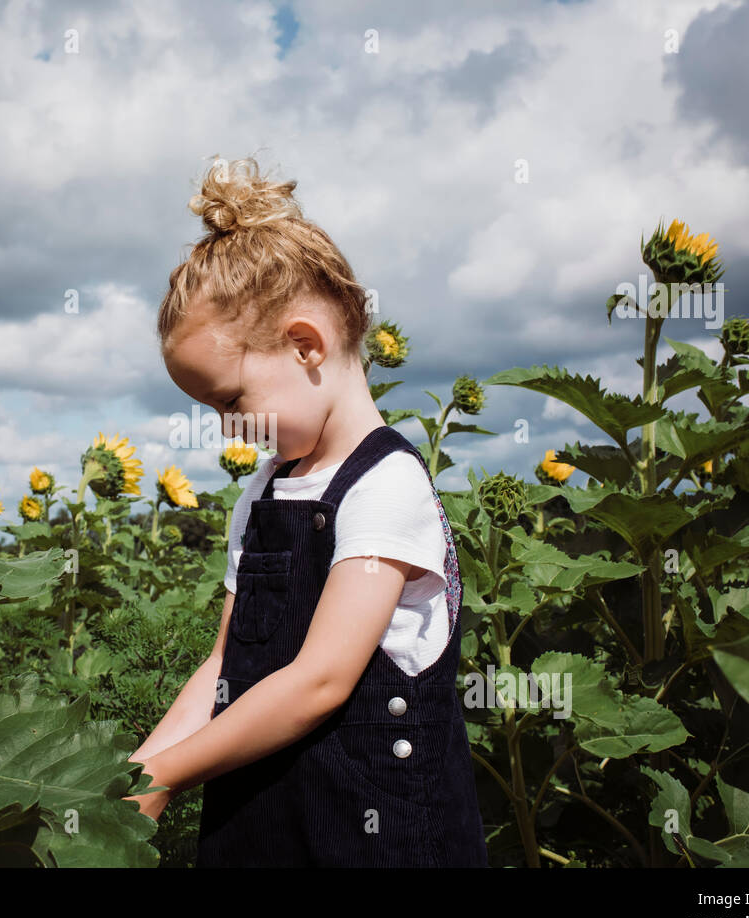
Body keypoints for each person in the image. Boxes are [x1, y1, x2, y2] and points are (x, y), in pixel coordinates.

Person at [124, 154, 486, 867]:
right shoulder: (262, 495)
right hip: (260, 833)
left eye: (231, 400)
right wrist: (133, 777)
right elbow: (225, 663)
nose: (229, 428)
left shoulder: (386, 484)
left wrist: (167, 773)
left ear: (305, 344)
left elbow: (320, 682)